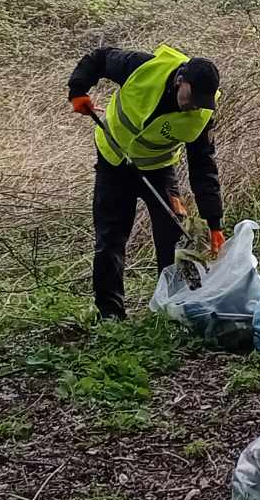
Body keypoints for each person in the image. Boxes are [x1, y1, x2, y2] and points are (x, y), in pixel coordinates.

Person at [68, 43, 224, 320]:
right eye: (193, 96)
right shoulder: (142, 68)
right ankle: (110, 314)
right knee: (110, 239)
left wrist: (214, 223)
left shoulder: (202, 114)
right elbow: (100, 58)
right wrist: (78, 89)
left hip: (158, 169)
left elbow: (203, 168)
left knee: (175, 237)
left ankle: (170, 307)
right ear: (180, 81)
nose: (196, 104)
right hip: (113, 160)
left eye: (203, 100)